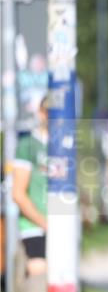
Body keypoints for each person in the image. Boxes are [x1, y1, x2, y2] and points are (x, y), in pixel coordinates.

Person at [13, 96, 49, 279]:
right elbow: (18, 193)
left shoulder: (67, 143)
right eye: (49, 112)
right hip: (34, 224)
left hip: (61, 222)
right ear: (41, 113)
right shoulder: (28, 144)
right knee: (39, 268)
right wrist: (45, 223)